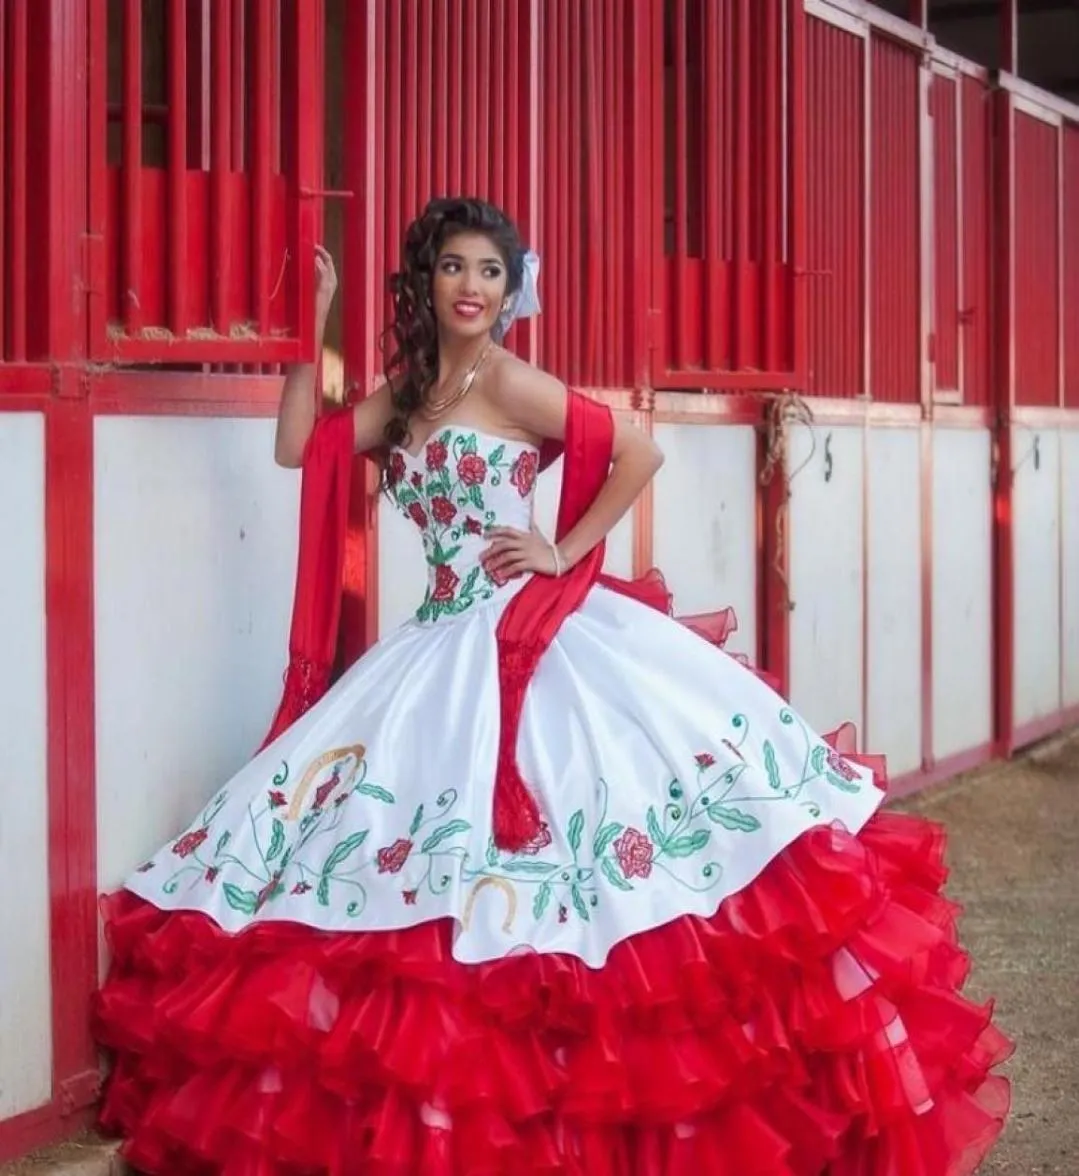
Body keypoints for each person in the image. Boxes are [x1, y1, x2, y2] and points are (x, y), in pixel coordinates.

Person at [94, 197, 1011, 1175]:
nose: (471, 288)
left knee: (590, 873)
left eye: (489, 271)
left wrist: (560, 548)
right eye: (453, 268)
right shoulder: (407, 393)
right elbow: (303, 446)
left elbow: (634, 449)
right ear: (423, 281)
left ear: (508, 287)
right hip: (435, 646)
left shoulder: (511, 381)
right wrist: (318, 323)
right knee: (381, 865)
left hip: (527, 631)